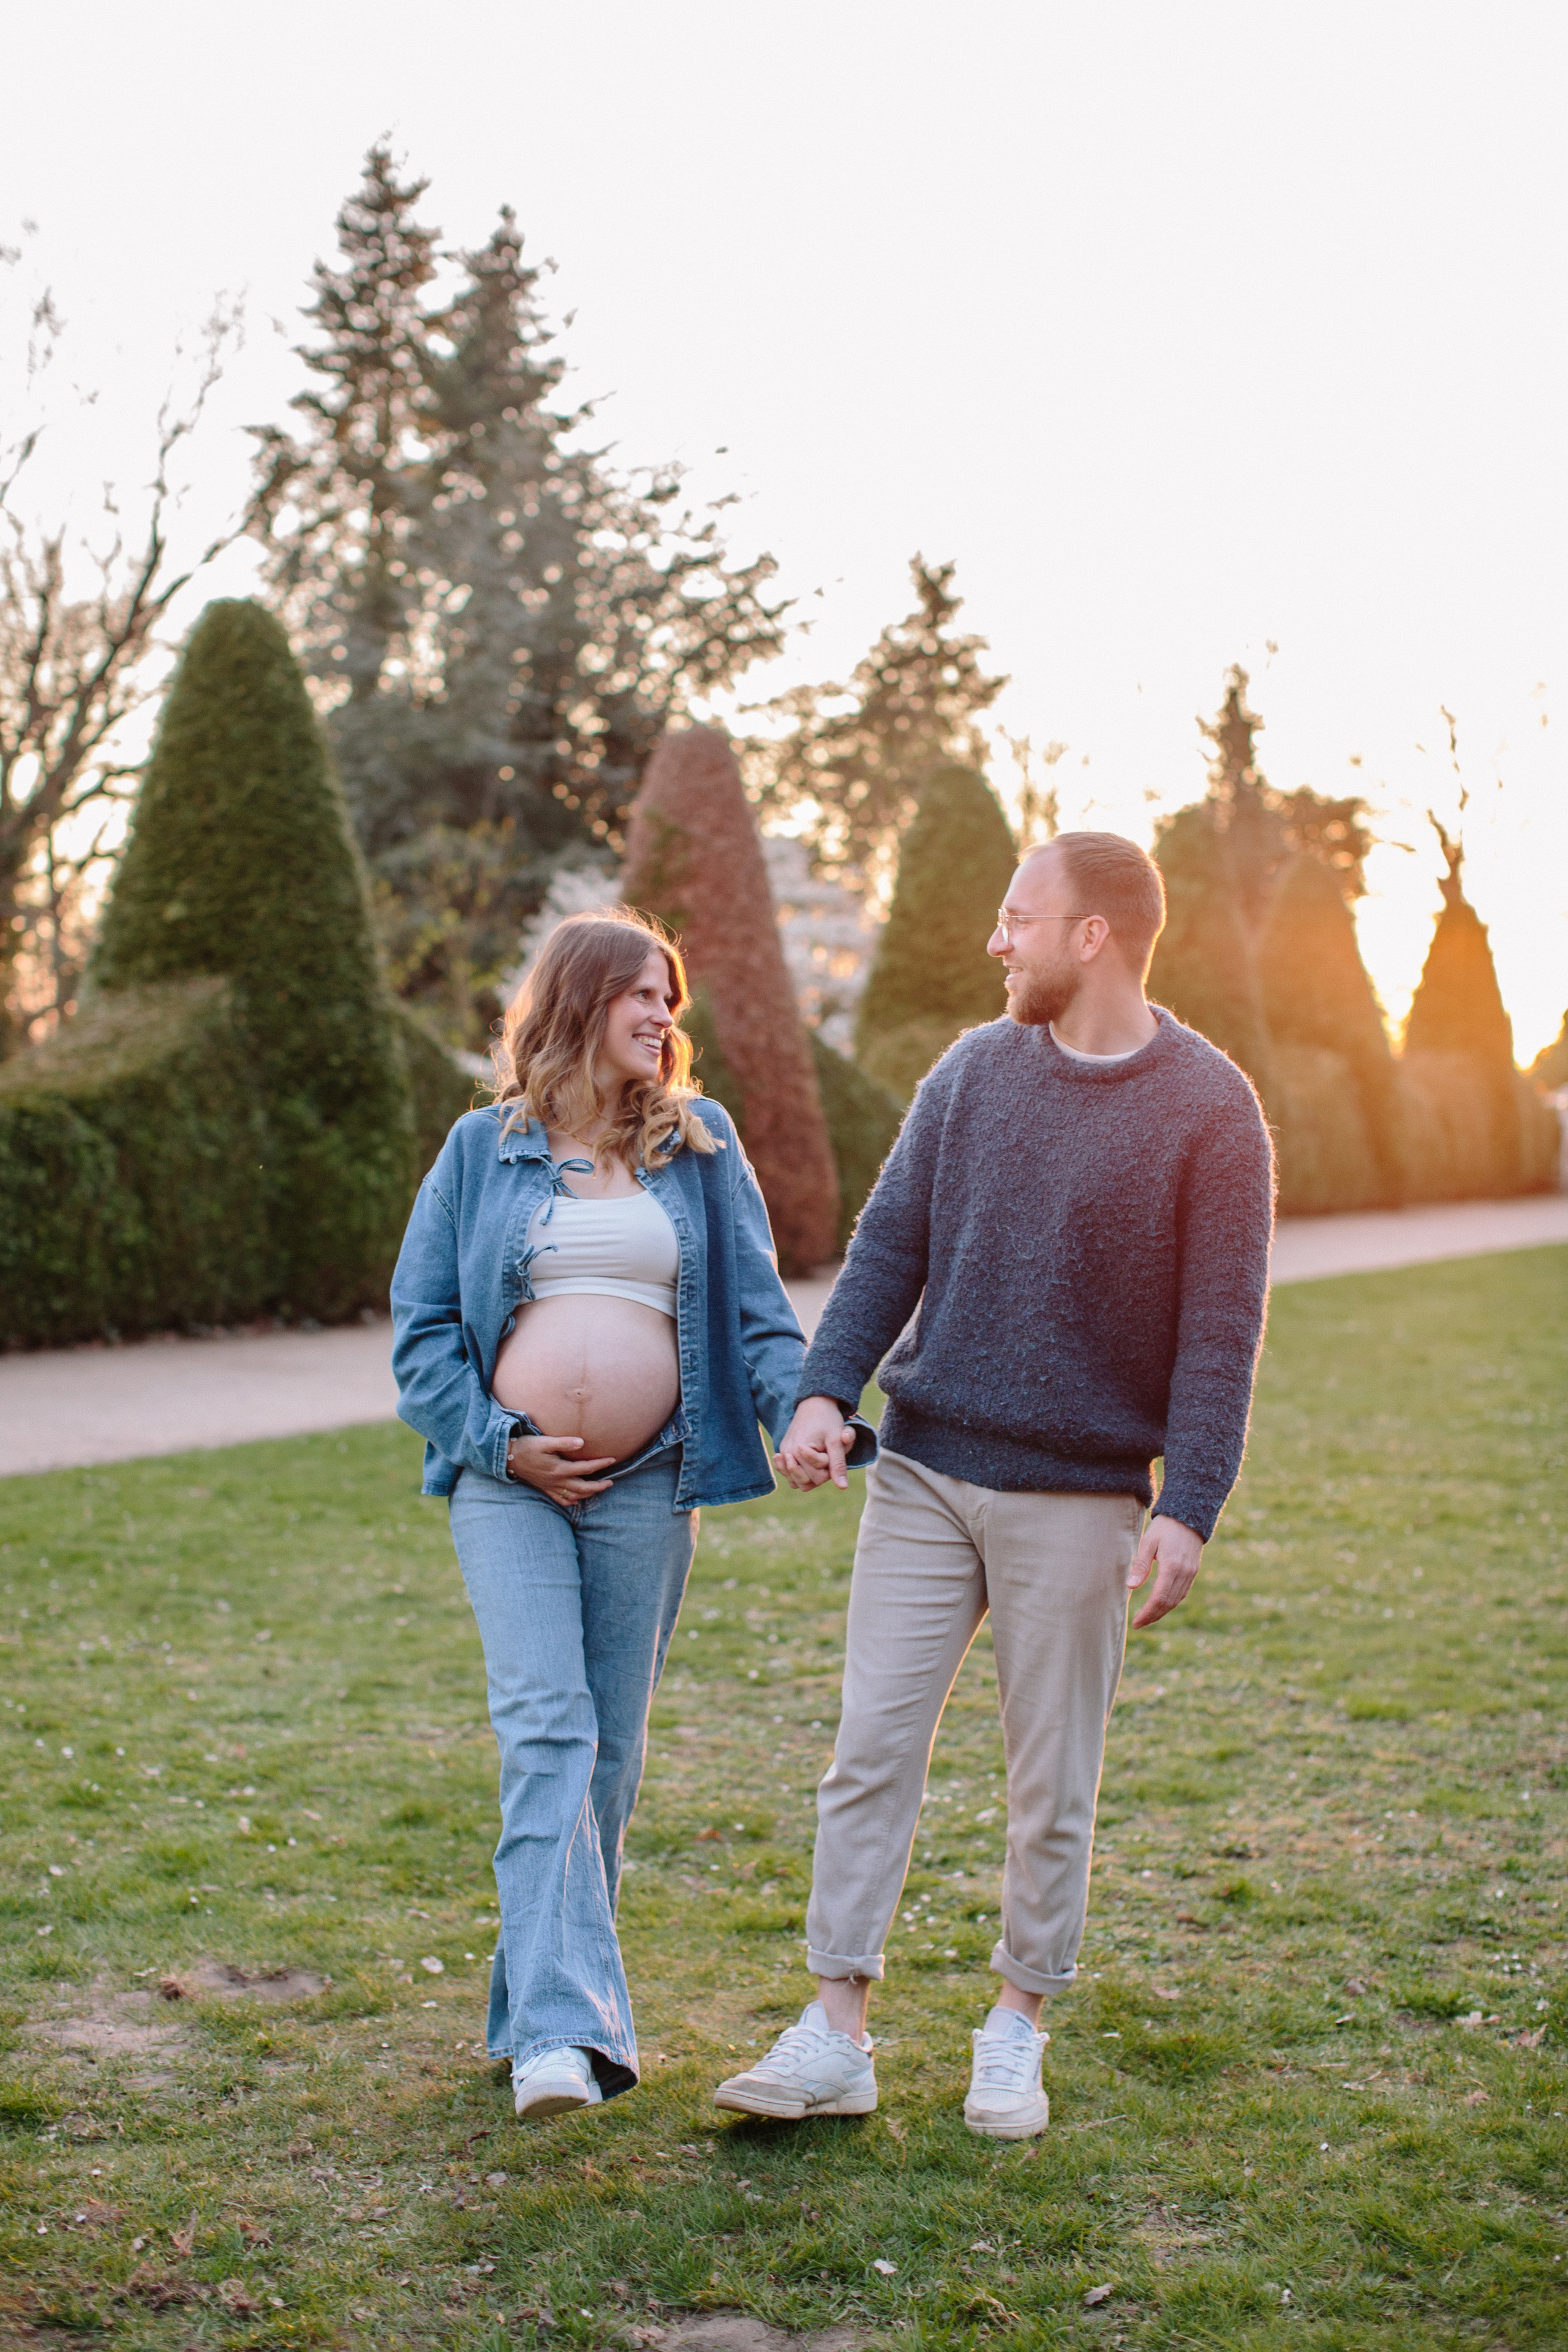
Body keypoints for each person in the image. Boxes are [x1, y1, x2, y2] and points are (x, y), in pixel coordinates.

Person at [714, 831, 1274, 2138]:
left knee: (1048, 1780)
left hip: (1077, 1498)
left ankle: (1014, 2025)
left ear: (1091, 936)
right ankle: (833, 2030)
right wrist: (817, 1391)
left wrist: (1187, 1504)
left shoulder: (1208, 1108)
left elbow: (1219, 1332)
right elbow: (887, 1244)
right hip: (920, 1469)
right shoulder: (970, 1072)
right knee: (868, 1752)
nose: (994, 940)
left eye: (1017, 916)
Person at [391, 909, 870, 2124]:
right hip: (509, 1484)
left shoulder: (699, 1146)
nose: (664, 1017)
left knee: (603, 1759)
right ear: (576, 1001)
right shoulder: (478, 1150)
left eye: (671, 1000)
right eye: (640, 996)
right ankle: (563, 2040)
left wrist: (803, 1410)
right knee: (547, 1733)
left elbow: (758, 1313)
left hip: (650, 1482)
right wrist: (501, 1440)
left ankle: (531, 2011)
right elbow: (421, 1339)